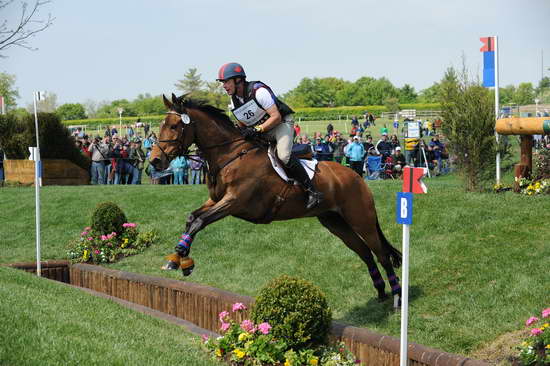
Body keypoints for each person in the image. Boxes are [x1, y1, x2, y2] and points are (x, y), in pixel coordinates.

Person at [217, 62, 322, 209]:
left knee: (283, 156)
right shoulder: (234, 100)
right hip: (263, 129)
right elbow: (242, 123)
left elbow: (276, 117)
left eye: (226, 82)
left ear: (238, 80)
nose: (224, 86)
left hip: (281, 124)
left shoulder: (258, 91)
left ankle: (312, 191)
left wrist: (257, 129)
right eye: (223, 83)